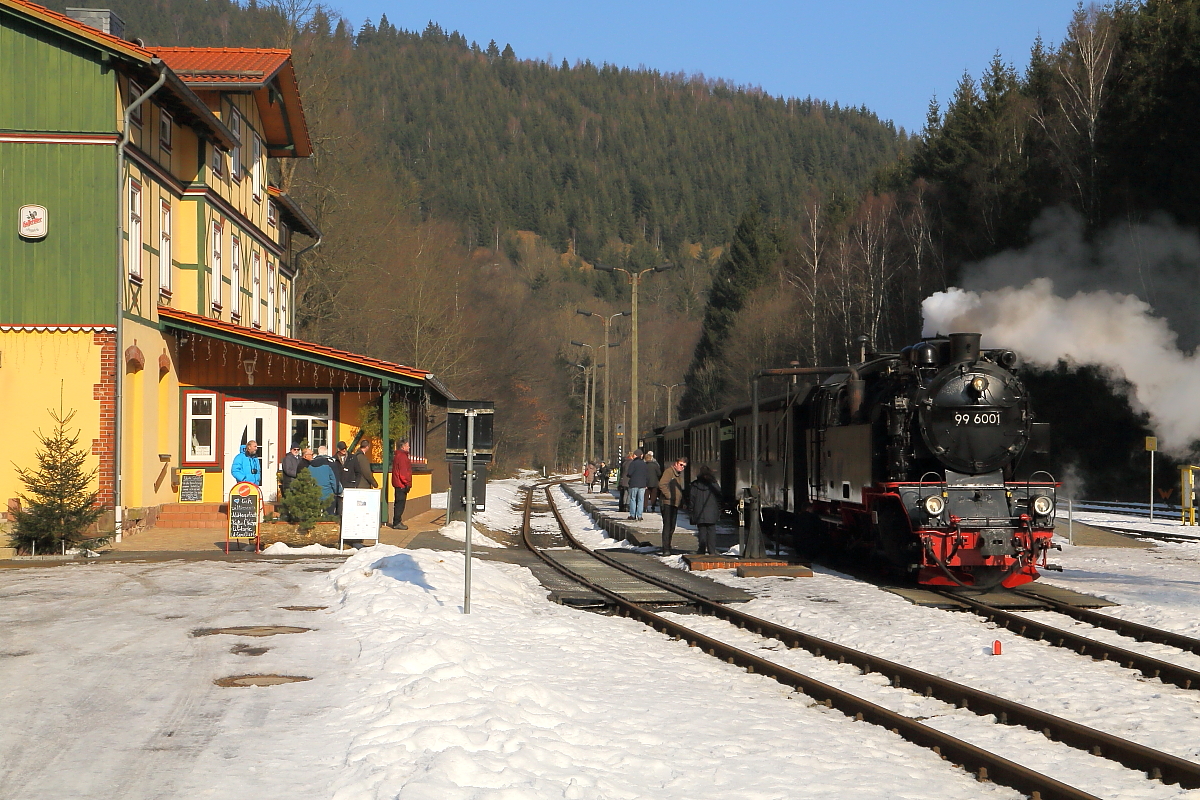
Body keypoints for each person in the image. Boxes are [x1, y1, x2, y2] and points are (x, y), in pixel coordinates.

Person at [687, 464, 722, 555]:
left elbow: (692, 499)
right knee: (711, 531)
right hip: (712, 511)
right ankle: (712, 550)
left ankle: (701, 549)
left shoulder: (695, 485)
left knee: (702, 531)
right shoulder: (714, 484)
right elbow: (719, 496)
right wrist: (718, 509)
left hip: (699, 512)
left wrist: (691, 510)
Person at [658, 456, 687, 554]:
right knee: (667, 525)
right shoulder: (669, 472)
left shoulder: (678, 474)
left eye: (684, 466)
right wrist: (669, 496)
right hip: (667, 503)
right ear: (676, 463)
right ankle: (666, 548)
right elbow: (662, 484)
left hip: (674, 503)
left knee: (672, 526)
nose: (682, 467)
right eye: (681, 465)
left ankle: (668, 546)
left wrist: (681, 500)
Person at [307, 445, 340, 515]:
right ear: (326, 453)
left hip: (314, 495)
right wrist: (338, 491)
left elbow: (307, 481)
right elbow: (334, 480)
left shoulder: (309, 465)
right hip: (328, 495)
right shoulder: (330, 464)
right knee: (329, 515)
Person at [390, 438, 413, 530]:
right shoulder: (402, 457)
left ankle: (397, 521)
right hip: (401, 484)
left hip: (398, 483)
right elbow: (403, 472)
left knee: (398, 503)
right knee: (400, 503)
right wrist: (407, 483)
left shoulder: (398, 456)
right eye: (407, 445)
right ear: (403, 447)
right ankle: (397, 522)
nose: (409, 447)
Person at [626, 449, 650, 521]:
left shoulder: (633, 463)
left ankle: (632, 515)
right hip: (642, 484)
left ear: (636, 455)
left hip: (634, 484)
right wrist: (646, 483)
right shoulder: (644, 464)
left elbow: (629, 473)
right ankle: (639, 515)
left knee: (633, 499)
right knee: (640, 500)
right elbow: (647, 475)